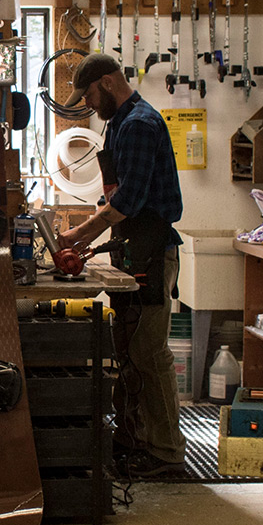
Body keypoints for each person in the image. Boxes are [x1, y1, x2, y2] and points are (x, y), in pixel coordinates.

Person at [57, 53, 186, 478]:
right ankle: (133, 439)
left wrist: (80, 236)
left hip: (151, 249)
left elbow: (127, 201)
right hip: (131, 248)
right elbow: (114, 195)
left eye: (90, 95)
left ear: (108, 83)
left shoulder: (139, 126)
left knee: (149, 353)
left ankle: (166, 452)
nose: (89, 104)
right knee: (129, 350)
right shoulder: (118, 124)